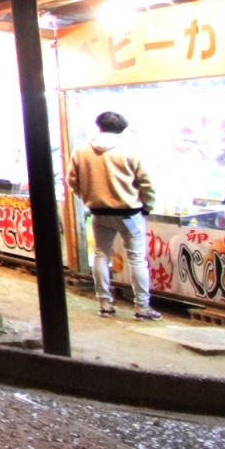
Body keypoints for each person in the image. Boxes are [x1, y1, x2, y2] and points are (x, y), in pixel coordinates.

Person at [70, 111, 160, 320]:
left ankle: (104, 304)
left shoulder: (81, 150)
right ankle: (141, 307)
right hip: (130, 213)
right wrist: (148, 206)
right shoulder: (131, 150)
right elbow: (146, 183)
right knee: (137, 258)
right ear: (122, 128)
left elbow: (72, 180)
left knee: (101, 255)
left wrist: (88, 197)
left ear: (99, 126)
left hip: (99, 212)